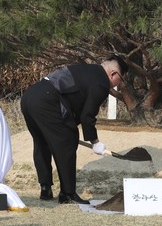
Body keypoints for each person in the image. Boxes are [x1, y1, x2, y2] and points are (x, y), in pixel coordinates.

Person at [20, 55, 128, 204]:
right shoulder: (102, 82)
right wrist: (95, 142)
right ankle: (68, 194)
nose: (117, 84)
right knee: (67, 140)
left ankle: (46, 188)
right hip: (47, 99)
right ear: (113, 74)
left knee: (42, 142)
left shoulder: (88, 70)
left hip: (30, 96)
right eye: (120, 80)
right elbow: (87, 115)